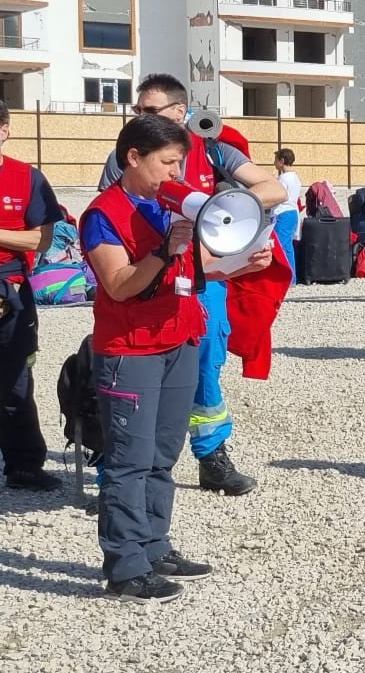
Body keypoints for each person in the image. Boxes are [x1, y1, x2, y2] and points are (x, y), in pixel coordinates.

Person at [84, 113, 267, 599]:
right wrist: (164, 251)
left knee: (164, 454)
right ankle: (124, 567)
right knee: (129, 460)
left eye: (180, 162)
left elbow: (194, 266)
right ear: (133, 157)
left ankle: (154, 544)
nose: (175, 173)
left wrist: (241, 260)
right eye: (167, 162)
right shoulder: (103, 214)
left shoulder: (170, 205)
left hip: (178, 339)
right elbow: (121, 286)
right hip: (130, 351)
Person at [98, 74, 285, 495]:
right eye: (138, 110)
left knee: (204, 365)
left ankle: (210, 454)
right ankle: (121, 464)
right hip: (149, 277)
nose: (139, 116)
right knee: (135, 371)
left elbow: (272, 187)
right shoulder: (127, 156)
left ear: (180, 113)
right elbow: (111, 213)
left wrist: (230, 205)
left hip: (204, 274)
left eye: (150, 110)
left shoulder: (215, 151)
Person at [0, 94, 66, 491]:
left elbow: (40, 241)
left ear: (4, 131)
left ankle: (25, 466)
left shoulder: (28, 178)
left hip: (7, 291)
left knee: (14, 383)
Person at [271, 148, 304, 278]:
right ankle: (291, 277)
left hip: (283, 212)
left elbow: (279, 196)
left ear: (282, 161)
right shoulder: (295, 178)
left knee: (278, 246)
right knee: (288, 246)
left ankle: (281, 277)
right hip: (292, 212)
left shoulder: (283, 179)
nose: (274, 163)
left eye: (275, 160)